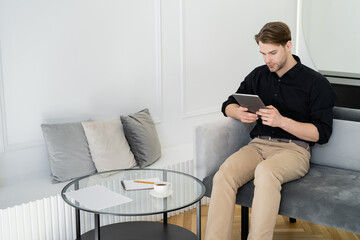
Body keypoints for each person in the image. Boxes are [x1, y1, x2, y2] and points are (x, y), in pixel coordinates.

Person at [204, 21, 336, 240]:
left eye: (273, 52)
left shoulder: (316, 83)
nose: (268, 60)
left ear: (288, 46)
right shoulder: (258, 75)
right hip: (258, 145)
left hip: (294, 151)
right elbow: (227, 105)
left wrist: (282, 121)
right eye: (263, 53)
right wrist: (239, 113)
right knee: (224, 174)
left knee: (265, 172)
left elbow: (321, 134)